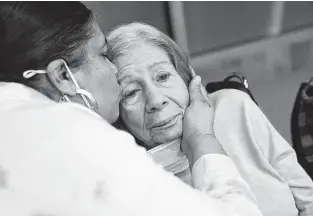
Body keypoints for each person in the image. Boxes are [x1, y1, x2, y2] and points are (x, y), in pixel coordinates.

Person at [0, 2, 263, 216]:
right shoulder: (83, 142)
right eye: (103, 55)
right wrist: (203, 140)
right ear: (63, 76)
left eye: (162, 77)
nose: (114, 69)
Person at [107, 22, 313, 216]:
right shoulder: (127, 178)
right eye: (131, 92)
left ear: (186, 77)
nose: (156, 100)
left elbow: (308, 198)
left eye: (162, 77)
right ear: (117, 114)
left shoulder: (233, 106)